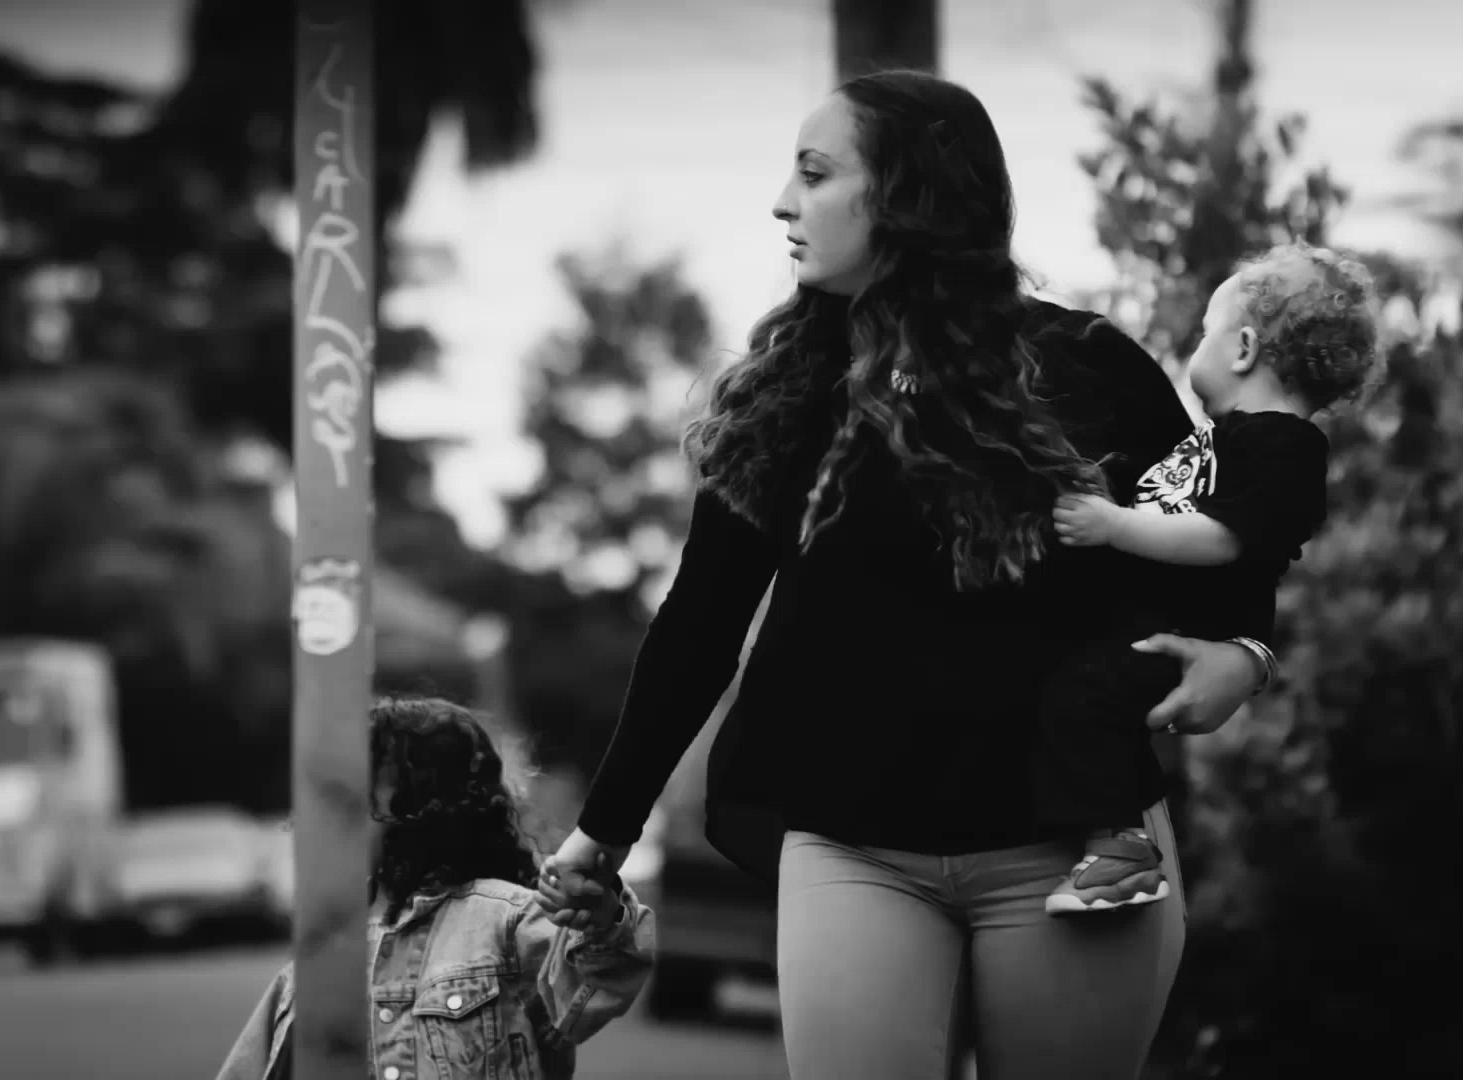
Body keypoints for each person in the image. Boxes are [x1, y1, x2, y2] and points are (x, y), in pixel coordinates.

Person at [535, 68, 1281, 1079]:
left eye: (815, 174)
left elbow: (1227, 525)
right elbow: (699, 625)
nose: (783, 203)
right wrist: (604, 830)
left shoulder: (1087, 369)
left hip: (1076, 851)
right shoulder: (786, 395)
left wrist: (1244, 649)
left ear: (906, 195)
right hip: (854, 850)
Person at [1038, 241, 1380, 916]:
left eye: (1205, 333)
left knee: (1084, 697)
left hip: (1185, 634)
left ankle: (1121, 852)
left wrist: (1114, 526)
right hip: (1151, 619)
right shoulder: (1225, 438)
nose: (1198, 345)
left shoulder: (1285, 445)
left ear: (1244, 348)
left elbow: (1223, 538)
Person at [215, 696, 655, 1080]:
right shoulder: (318, 959)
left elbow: (599, 985)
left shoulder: (507, 920)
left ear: (424, 804)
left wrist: (603, 917)